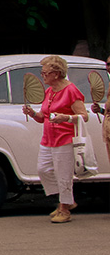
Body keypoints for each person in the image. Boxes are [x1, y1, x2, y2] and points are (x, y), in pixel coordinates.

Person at [22, 54, 89, 223]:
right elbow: (43, 116)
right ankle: (67, 200)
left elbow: (84, 116)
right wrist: (32, 113)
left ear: (56, 73)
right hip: (48, 138)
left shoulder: (71, 90)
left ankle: (65, 209)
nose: (42, 76)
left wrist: (65, 118)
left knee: (63, 174)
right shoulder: (49, 91)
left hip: (64, 137)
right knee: (43, 169)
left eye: (45, 73)